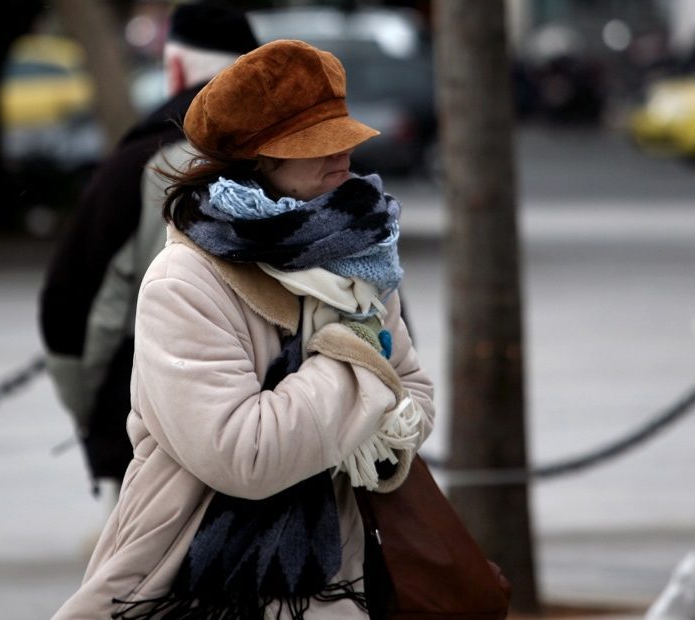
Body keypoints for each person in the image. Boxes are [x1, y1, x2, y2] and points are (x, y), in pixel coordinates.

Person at [53, 39, 435, 619]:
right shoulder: (184, 281)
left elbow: (417, 402)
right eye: (316, 146)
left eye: (344, 139)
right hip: (187, 583)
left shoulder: (359, 256)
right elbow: (247, 456)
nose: (343, 158)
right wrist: (352, 357)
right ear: (259, 160)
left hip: (341, 577)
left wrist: (365, 404)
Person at [39, 3, 260, 494]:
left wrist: (95, 419)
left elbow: (72, 305)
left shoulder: (135, 164)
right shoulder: (306, 155)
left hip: (157, 428)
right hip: (286, 432)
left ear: (176, 68)